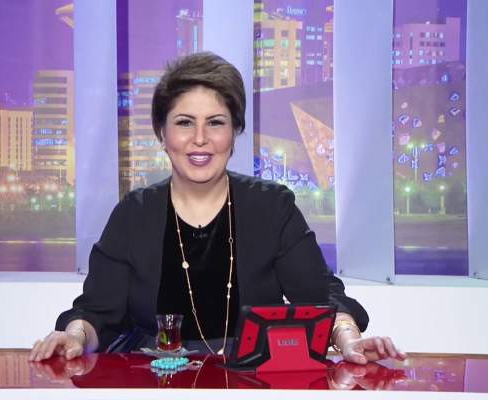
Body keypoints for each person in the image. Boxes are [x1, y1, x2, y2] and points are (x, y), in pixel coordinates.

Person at [30, 52, 406, 365]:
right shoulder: (134, 213)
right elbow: (96, 312)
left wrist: (348, 338)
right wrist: (74, 336)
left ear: (235, 131)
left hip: (251, 375)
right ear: (162, 133)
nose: (200, 139)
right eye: (184, 123)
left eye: (215, 123)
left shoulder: (271, 206)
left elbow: (321, 297)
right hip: (153, 376)